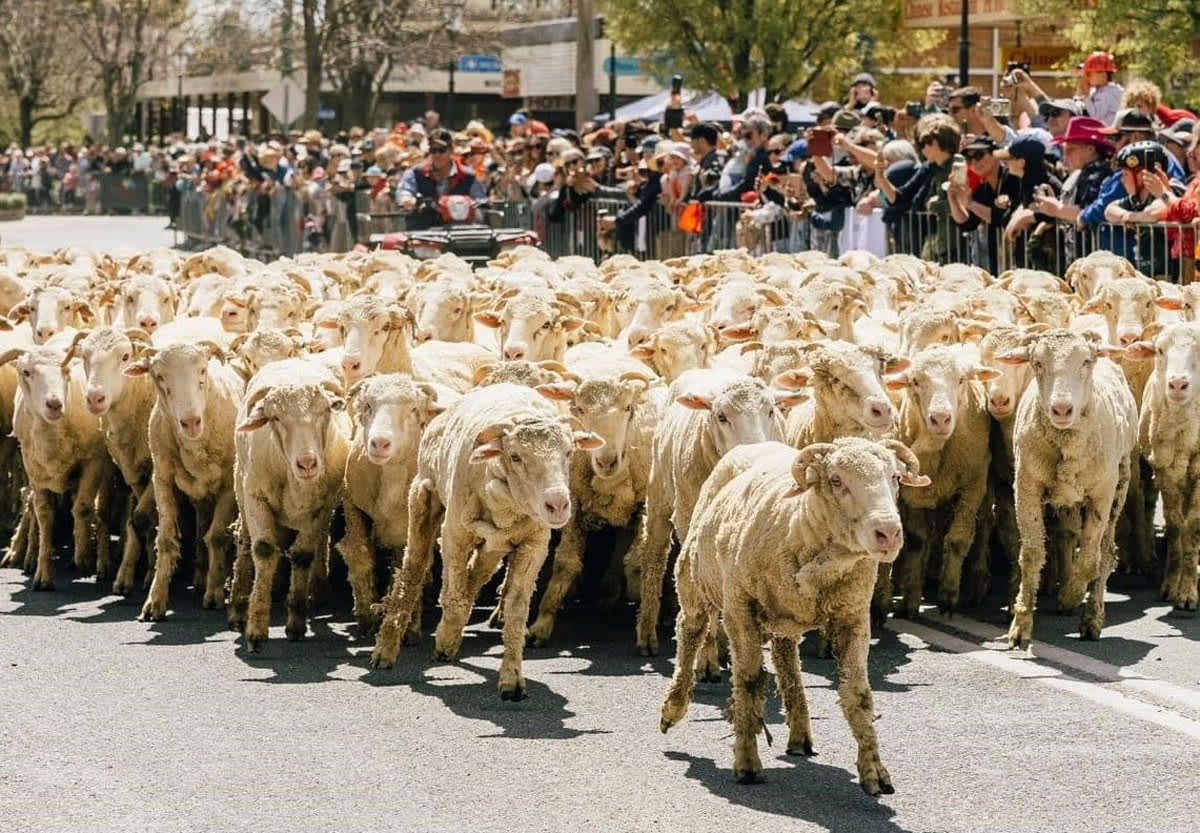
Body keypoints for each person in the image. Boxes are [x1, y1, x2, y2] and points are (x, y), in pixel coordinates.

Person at [1031, 116, 1115, 261]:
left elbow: (1089, 212)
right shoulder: (1087, 173)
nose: (1064, 158)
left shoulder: (1096, 174)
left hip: (1093, 256)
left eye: (1070, 150)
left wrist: (1057, 209)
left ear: (1090, 149)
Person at [1104, 140, 1182, 276]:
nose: (1122, 180)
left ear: (1141, 175)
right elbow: (1109, 210)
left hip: (1169, 274)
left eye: (1125, 174)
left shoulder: (1171, 189)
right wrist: (1129, 217)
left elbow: (1155, 213)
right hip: (1147, 272)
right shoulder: (1136, 198)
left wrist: (1133, 218)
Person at [394, 128, 486, 229]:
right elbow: (404, 191)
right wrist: (407, 199)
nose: (437, 155)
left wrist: (471, 206)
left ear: (451, 150)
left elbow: (481, 201)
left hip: (459, 234)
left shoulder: (468, 175)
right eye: (433, 150)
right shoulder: (416, 172)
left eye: (441, 150)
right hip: (423, 235)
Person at [1081, 51, 1123, 126]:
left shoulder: (1109, 93)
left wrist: (1086, 95)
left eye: (1090, 73)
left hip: (1110, 136)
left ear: (1103, 75)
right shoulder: (1099, 91)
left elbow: (1096, 117)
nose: (1087, 77)